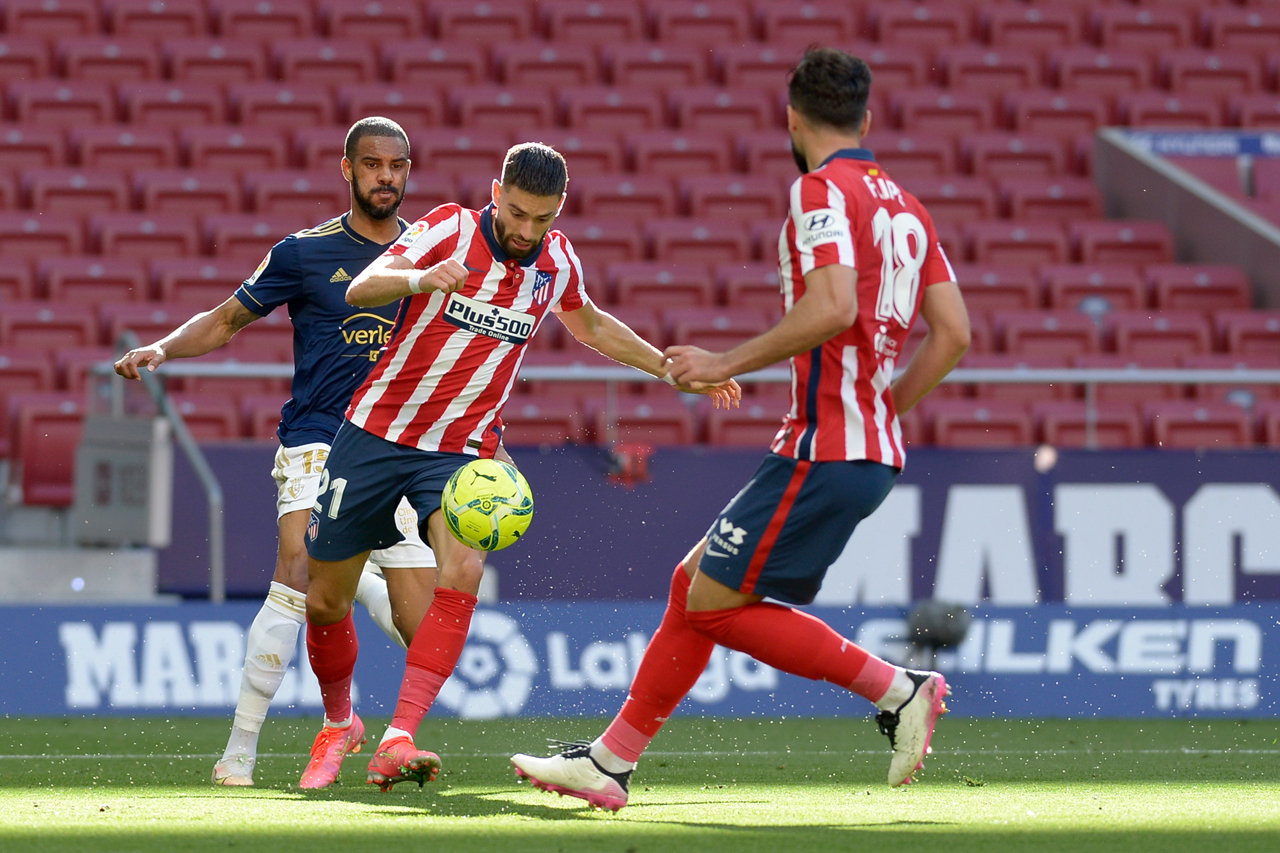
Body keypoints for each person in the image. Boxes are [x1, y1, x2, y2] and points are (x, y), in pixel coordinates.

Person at [510, 47, 972, 811]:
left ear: (792, 117)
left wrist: (724, 358)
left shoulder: (820, 191)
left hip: (823, 445)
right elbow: (952, 334)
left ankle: (899, 686)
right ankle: (611, 760)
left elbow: (830, 308)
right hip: (862, 446)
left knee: (714, 602)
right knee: (693, 583)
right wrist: (883, 410)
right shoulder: (909, 209)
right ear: (867, 117)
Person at [299, 141, 742, 792]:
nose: (526, 230)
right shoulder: (449, 227)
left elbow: (588, 323)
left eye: (542, 217)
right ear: (495, 191)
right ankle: (341, 721)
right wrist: (422, 278)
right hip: (376, 432)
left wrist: (665, 368)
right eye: (516, 213)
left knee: (466, 565)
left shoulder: (557, 261)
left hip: (461, 448)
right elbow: (364, 287)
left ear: (559, 209)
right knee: (324, 599)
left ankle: (399, 736)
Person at [114, 117, 439, 788]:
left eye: (397, 165)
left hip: (395, 446)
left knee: (421, 625)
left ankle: (367, 604)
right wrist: (163, 348)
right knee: (297, 569)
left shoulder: (429, 259)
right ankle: (240, 751)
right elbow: (227, 317)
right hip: (317, 439)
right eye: (373, 164)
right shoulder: (303, 252)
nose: (386, 176)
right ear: (346, 169)